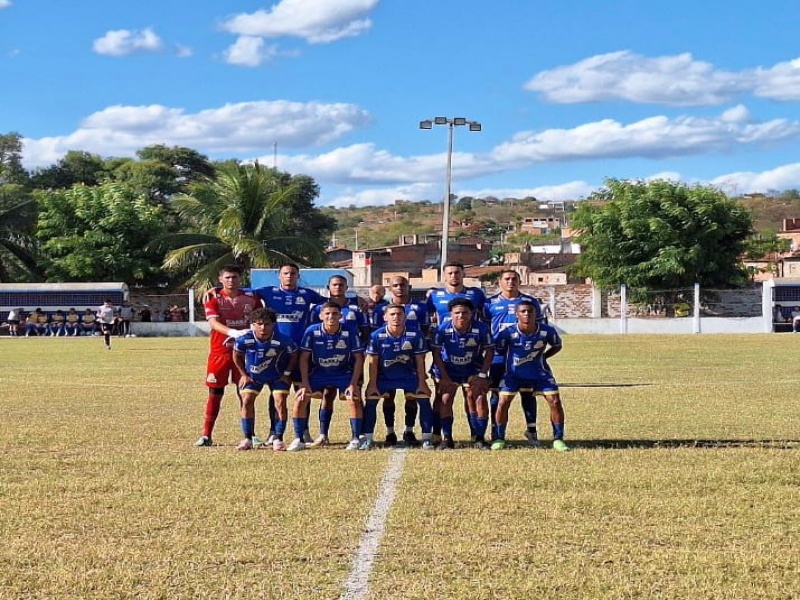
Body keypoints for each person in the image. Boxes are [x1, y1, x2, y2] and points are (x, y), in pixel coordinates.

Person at [253, 262, 326, 443]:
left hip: (301, 351)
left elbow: (331, 304)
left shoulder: (306, 294)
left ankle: (304, 431)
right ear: (279, 275)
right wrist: (215, 289)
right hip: (277, 351)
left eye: (293, 273)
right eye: (286, 273)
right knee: (277, 393)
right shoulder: (268, 292)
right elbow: (241, 291)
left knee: (302, 391)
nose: (289, 276)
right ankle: (273, 431)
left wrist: (356, 301)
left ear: (297, 276)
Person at [195, 265, 261, 448]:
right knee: (215, 393)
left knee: (246, 394)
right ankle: (206, 435)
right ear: (220, 279)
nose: (231, 281)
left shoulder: (251, 297)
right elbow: (213, 323)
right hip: (220, 352)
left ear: (240, 279)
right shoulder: (214, 298)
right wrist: (233, 332)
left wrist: (250, 331)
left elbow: (259, 318)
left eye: (235, 277)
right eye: (228, 277)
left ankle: (251, 435)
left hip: (245, 352)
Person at [494, 300, 569, 452]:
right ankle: (499, 438)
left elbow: (557, 345)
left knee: (554, 401)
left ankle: (558, 439)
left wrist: (544, 357)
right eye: (523, 311)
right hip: (514, 375)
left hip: (539, 374)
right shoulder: (507, 333)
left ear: (536, 314)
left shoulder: (547, 331)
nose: (527, 314)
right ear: (517, 314)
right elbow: (500, 350)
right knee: (503, 401)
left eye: (530, 311)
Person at [426, 262, 488, 441]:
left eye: (457, 273)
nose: (454, 276)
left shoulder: (476, 294)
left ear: (463, 274)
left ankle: (477, 435)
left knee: (472, 395)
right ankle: (438, 434)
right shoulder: (435, 296)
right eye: (450, 273)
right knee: (442, 395)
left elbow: (485, 317)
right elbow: (428, 317)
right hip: (445, 352)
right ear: (444, 276)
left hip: (470, 351)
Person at [485, 269, 545, 446]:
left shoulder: (529, 302)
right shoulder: (490, 304)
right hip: (499, 356)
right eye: (507, 279)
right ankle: (497, 432)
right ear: (500, 282)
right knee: (497, 394)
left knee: (527, 393)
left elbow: (540, 328)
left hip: (524, 356)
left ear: (520, 281)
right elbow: (485, 329)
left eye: (514, 279)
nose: (510, 282)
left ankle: (532, 431)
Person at [306, 275, 368, 444]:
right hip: (324, 358)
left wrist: (358, 352)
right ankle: (323, 434)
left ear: (347, 287)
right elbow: (312, 332)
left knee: (355, 394)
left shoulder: (356, 308)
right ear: (328, 287)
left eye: (341, 285)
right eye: (335, 284)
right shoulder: (319, 308)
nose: (338, 287)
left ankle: (359, 435)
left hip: (350, 361)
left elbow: (365, 331)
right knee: (327, 394)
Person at [363, 304, 433, 450]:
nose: (396, 317)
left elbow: (420, 360)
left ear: (405, 317)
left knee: (423, 399)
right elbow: (372, 362)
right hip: (385, 378)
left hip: (409, 376)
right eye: (392, 314)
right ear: (385, 317)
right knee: (371, 400)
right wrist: (372, 384)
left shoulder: (415, 335)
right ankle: (372, 437)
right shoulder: (376, 336)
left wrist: (422, 382)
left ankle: (426, 438)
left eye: (399, 314)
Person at [298, 302, 366, 450]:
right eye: (327, 313)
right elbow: (303, 358)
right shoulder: (311, 331)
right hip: (319, 373)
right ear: (321, 315)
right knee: (301, 397)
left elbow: (359, 358)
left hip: (343, 373)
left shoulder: (350, 331)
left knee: (353, 398)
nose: (331, 317)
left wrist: (353, 383)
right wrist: (304, 382)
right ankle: (300, 439)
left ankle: (355, 438)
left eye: (335, 313)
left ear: (341, 316)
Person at [429, 298, 495, 449]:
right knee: (445, 398)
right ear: (451, 314)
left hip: (472, 368)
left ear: (471, 314)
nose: (461, 316)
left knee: (478, 397)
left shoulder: (481, 328)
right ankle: (447, 438)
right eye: (457, 313)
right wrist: (444, 378)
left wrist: (482, 375)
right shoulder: (442, 329)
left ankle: (479, 437)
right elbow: (436, 353)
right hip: (448, 368)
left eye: (465, 312)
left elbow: (490, 350)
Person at [233, 307, 299, 452]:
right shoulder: (245, 339)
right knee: (247, 400)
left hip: (276, 376)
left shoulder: (282, 339)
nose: (263, 327)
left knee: (280, 401)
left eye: (267, 324)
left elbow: (294, 354)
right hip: (253, 376)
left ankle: (278, 438)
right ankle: (248, 438)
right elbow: (236, 355)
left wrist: (287, 373)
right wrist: (244, 375)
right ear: (253, 324)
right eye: (259, 324)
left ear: (273, 324)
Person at [379, 275, 431, 446]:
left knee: (412, 397)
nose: (399, 287)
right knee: (388, 396)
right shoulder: (381, 308)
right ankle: (390, 432)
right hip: (387, 359)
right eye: (395, 285)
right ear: (389, 288)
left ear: (409, 286)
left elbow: (425, 330)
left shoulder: (420, 308)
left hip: (412, 359)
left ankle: (409, 431)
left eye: (402, 284)